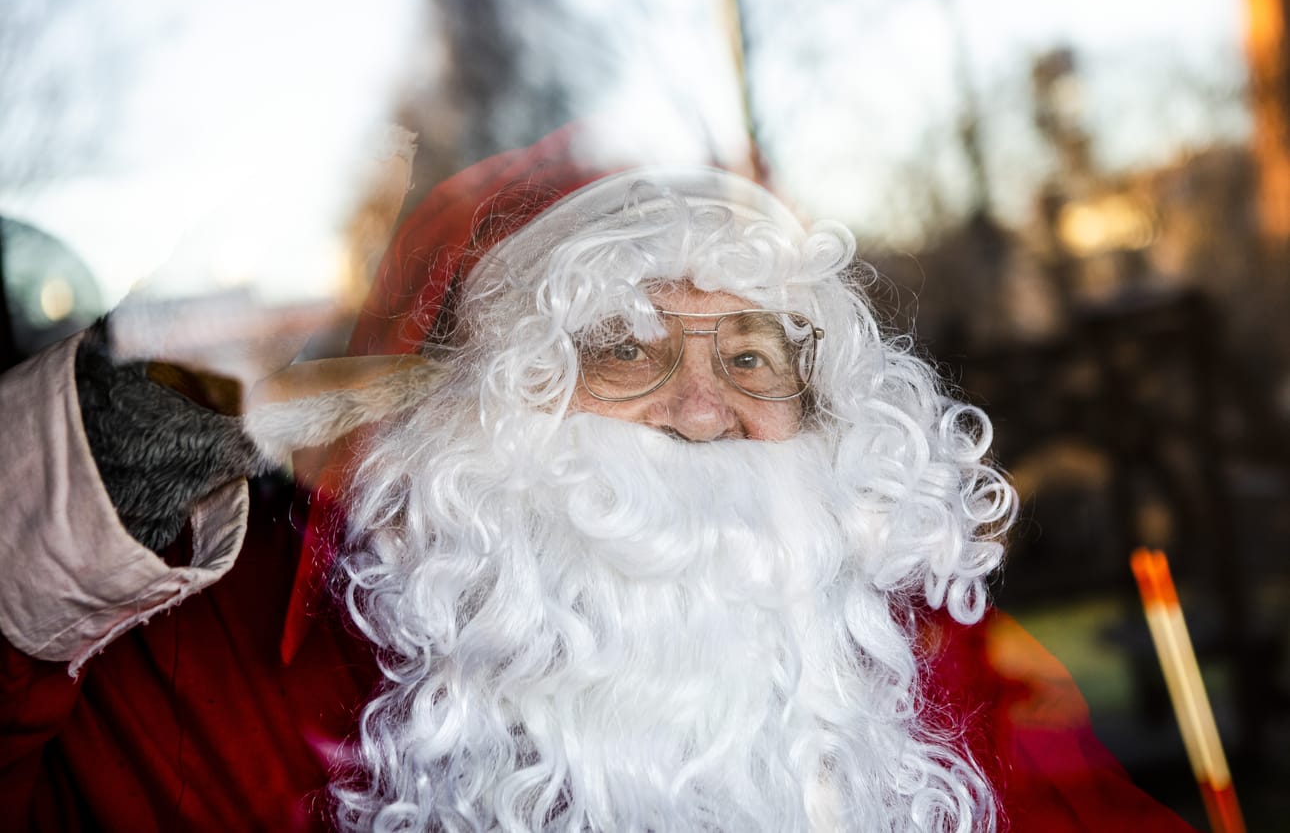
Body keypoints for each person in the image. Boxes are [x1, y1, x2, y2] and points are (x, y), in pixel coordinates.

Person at [0, 135, 1195, 831]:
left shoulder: (911, 665)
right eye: (621, 346)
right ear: (481, 412)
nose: (700, 406)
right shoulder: (224, 672)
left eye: (749, 355)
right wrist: (58, 512)